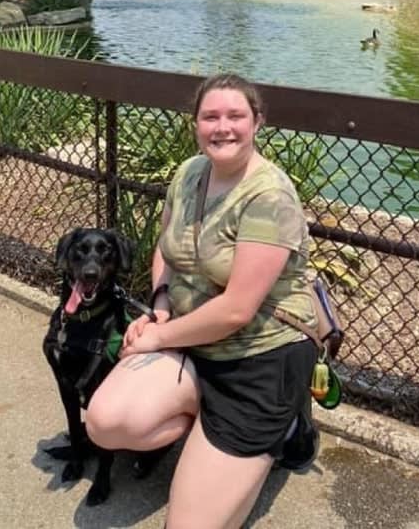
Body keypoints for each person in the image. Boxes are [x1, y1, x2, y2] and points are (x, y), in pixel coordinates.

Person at [86, 73, 319, 529]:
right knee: (105, 422)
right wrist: (160, 305)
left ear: (258, 123)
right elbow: (166, 249)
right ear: (195, 123)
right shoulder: (190, 173)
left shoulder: (269, 195)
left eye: (236, 116)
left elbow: (237, 309)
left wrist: (158, 338)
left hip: (260, 357)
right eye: (210, 116)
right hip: (193, 339)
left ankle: (285, 427)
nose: (223, 127)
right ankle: (202, 424)